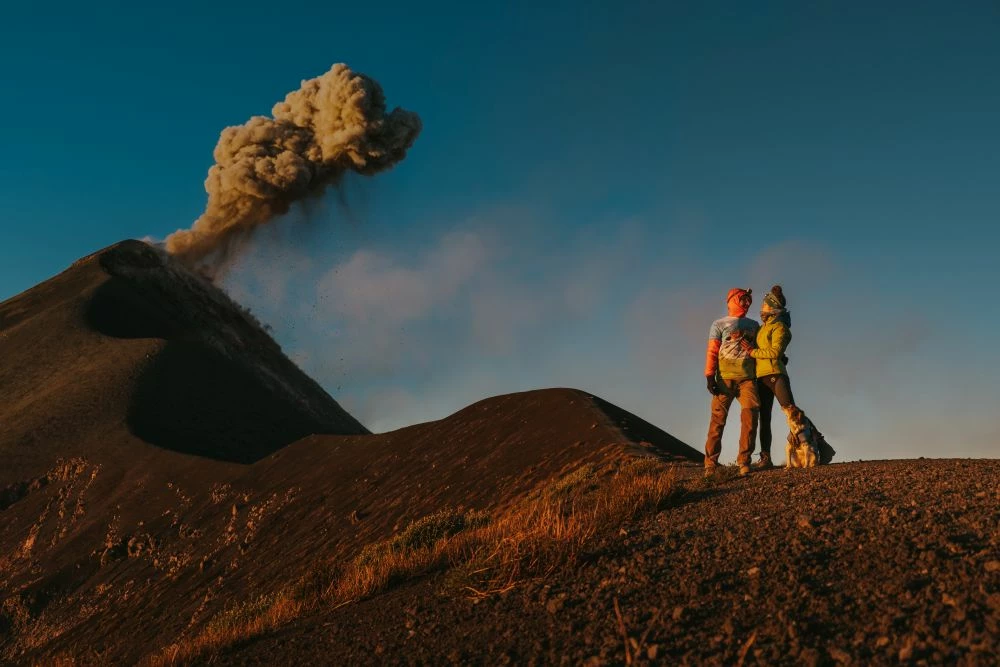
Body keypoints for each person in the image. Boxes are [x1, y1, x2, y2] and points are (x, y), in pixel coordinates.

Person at [703, 288, 760, 476]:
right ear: (733, 300)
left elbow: (760, 349)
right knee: (717, 420)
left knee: (750, 419)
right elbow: (712, 350)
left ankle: (744, 462)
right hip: (724, 379)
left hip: (748, 380)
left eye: (748, 300)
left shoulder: (754, 324)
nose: (746, 303)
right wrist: (710, 376)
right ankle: (710, 464)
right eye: (743, 299)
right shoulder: (718, 324)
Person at [744, 285, 794, 469]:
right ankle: (766, 458)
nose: (762, 308)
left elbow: (775, 351)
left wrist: (752, 352)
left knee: (792, 413)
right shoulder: (763, 328)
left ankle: (814, 447)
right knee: (765, 418)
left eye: (765, 305)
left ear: (772, 308)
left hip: (776, 375)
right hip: (761, 377)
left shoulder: (780, 327)